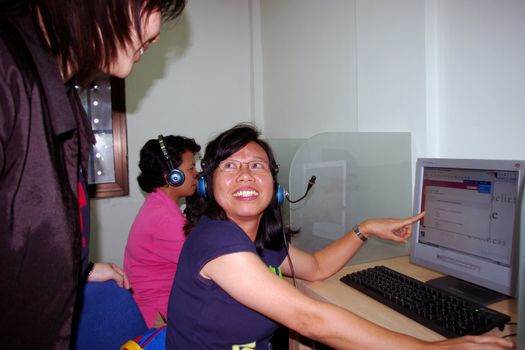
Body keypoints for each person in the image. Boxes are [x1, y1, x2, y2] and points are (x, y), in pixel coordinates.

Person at [166, 124, 514, 349]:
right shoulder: (215, 242)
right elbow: (310, 320)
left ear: (277, 188)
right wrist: (430, 348)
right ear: (205, 185)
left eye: (256, 165)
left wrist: (365, 228)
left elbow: (316, 267)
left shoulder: (263, 242)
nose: (245, 175)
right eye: (230, 165)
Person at [0, 0, 186, 348]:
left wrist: (78, 268)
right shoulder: (7, 69)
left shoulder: (61, 92)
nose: (158, 35)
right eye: (155, 5)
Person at [124, 135, 200, 327]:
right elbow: (206, 263)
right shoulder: (165, 218)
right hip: (160, 319)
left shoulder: (158, 203)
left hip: (165, 306)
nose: (196, 174)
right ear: (172, 176)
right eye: (191, 168)